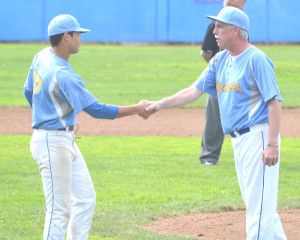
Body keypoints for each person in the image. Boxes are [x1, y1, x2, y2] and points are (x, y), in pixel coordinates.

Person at [147, 7, 286, 239]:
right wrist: (158, 104)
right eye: (215, 25)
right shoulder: (220, 60)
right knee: (259, 206)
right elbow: (192, 91)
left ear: (236, 30)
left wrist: (272, 144)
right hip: (239, 141)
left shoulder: (257, 60)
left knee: (259, 210)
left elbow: (274, 101)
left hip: (258, 137)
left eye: (220, 26)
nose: (214, 31)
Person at [24, 14, 150, 240]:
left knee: (85, 198)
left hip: (60, 139)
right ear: (66, 36)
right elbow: (97, 109)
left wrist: (58, 118)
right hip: (53, 144)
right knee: (58, 210)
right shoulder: (63, 74)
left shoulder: (41, 56)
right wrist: (137, 108)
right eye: (78, 34)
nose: (81, 39)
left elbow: (28, 92)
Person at [200, 0, 247, 166]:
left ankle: (247, 154)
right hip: (220, 80)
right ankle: (209, 157)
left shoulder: (241, 22)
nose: (246, 1)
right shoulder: (217, 23)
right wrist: (218, 71)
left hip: (240, 79)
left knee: (245, 114)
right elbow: (205, 53)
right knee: (215, 118)